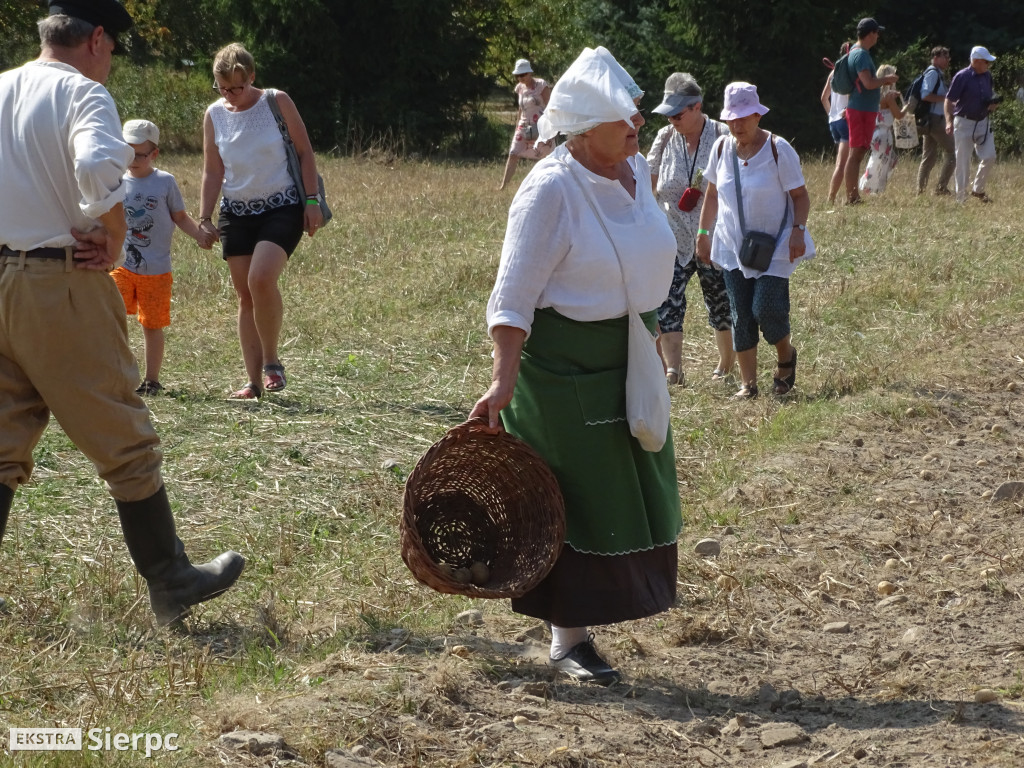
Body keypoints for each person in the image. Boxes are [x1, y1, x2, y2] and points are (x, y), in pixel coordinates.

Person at [0, 0, 244, 626]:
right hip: (62, 285)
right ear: (97, 39)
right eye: (112, 51)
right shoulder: (82, 94)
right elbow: (93, 165)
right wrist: (111, 229)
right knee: (124, 437)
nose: (109, 64)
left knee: (1, 444)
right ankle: (170, 579)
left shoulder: (3, 87)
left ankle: (169, 578)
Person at [470, 46, 680, 684]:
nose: (637, 126)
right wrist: (503, 380)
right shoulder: (550, 190)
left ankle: (594, 622)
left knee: (627, 486)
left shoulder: (634, 170)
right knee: (574, 499)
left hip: (628, 355)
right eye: (625, 118)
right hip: (564, 371)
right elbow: (513, 294)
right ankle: (568, 641)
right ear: (585, 128)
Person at [199, 42, 323, 399]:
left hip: (282, 206)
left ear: (251, 77)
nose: (231, 94)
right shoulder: (214, 114)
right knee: (244, 295)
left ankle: (272, 362)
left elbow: (304, 152)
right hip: (236, 212)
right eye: (223, 88)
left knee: (261, 278)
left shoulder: (276, 101)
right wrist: (205, 217)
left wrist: (311, 200)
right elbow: (212, 169)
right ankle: (253, 383)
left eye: (238, 86)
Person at [695, 82, 815, 399]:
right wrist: (704, 234)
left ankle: (786, 356)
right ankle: (749, 386)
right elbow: (711, 195)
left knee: (766, 308)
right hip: (734, 246)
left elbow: (800, 196)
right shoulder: (721, 149)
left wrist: (798, 230)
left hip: (776, 245)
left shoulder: (779, 149)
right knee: (741, 314)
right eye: (733, 118)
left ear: (757, 116)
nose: (738, 124)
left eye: (745, 117)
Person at [648, 72, 733, 385]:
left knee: (720, 300)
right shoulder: (665, 138)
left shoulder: (723, 136)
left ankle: (725, 366)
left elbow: (732, 188)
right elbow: (649, 181)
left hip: (714, 234)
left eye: (678, 114)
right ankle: (674, 370)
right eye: (668, 114)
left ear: (697, 107)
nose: (672, 120)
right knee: (666, 301)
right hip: (673, 238)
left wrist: (706, 234)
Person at [112, 118, 209, 395]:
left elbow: (180, 216)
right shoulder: (115, 180)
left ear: (154, 154)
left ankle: (151, 380)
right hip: (121, 265)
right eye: (127, 152)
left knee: (151, 324)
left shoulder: (165, 182)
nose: (132, 160)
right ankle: (115, 375)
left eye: (139, 154)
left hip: (155, 270)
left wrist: (199, 235)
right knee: (111, 317)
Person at [843, 18, 899, 205]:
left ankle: (853, 196)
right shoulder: (861, 55)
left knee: (859, 152)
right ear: (870, 34)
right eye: (876, 32)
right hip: (860, 109)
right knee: (855, 153)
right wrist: (886, 79)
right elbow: (868, 83)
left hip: (863, 109)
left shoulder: (858, 53)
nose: (878, 36)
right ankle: (852, 197)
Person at [945, 46, 1000, 204]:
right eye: (986, 62)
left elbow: (989, 95)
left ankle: (978, 189)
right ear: (976, 61)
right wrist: (949, 121)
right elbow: (949, 100)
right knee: (963, 161)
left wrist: (992, 104)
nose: (988, 65)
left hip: (983, 120)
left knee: (990, 156)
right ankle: (961, 198)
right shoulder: (962, 76)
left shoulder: (987, 76)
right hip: (964, 121)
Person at [497, 59, 554, 190]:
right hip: (523, 125)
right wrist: (517, 125)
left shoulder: (541, 85)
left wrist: (550, 126)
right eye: (518, 75)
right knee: (513, 153)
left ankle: (544, 185)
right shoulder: (520, 88)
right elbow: (521, 108)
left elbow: (550, 106)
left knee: (543, 155)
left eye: (523, 75)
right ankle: (503, 185)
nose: (520, 78)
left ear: (529, 73)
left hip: (539, 125)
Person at [859, 65, 907, 196]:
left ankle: (871, 187)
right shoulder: (888, 97)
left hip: (875, 133)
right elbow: (898, 115)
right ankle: (871, 187)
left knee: (879, 159)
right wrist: (907, 107)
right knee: (882, 162)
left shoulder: (875, 95)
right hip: (885, 133)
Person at [916, 46, 955, 196]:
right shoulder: (933, 73)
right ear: (935, 58)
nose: (948, 60)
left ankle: (920, 191)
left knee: (929, 157)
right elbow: (925, 95)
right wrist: (946, 99)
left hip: (931, 119)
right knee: (952, 153)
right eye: (945, 56)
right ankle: (941, 188)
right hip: (935, 119)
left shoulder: (937, 74)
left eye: (948, 56)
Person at [821, 43, 851, 206]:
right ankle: (832, 198)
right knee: (843, 163)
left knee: (844, 161)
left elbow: (823, 98)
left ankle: (845, 196)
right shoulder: (850, 72)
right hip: (845, 121)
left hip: (834, 122)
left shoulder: (833, 73)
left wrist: (831, 115)